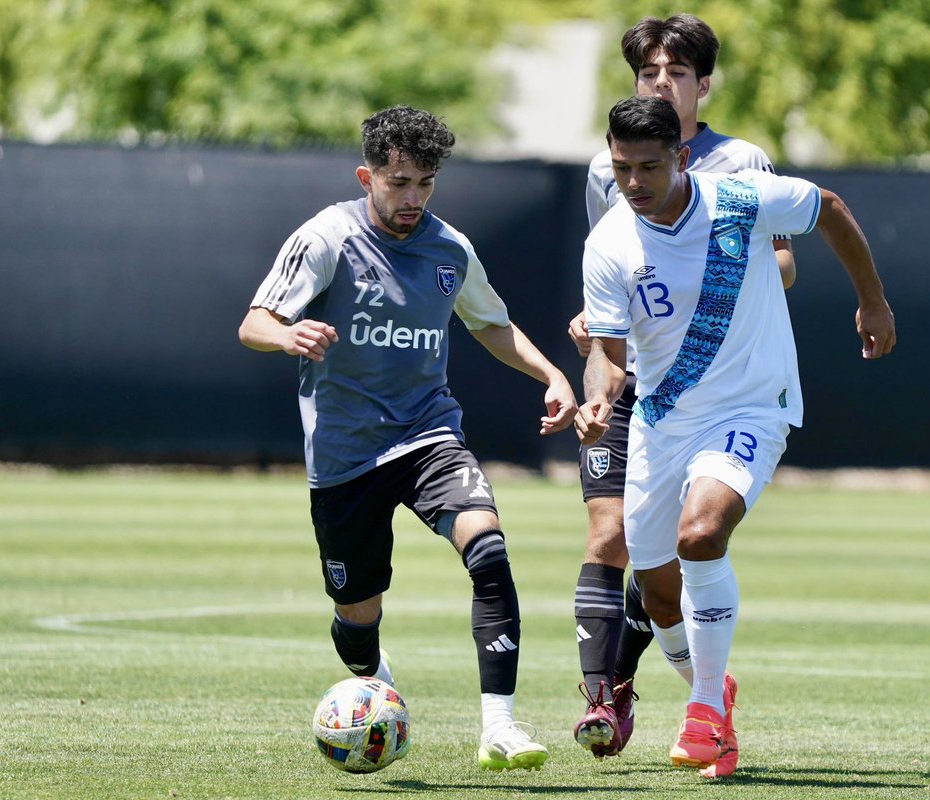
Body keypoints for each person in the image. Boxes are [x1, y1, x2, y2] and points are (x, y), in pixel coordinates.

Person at [238, 106, 578, 772]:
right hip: (344, 454)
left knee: (487, 548)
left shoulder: (449, 248)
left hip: (427, 434)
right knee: (357, 621)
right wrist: (288, 335)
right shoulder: (327, 238)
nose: (413, 198)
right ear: (368, 176)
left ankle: (500, 726)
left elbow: (491, 324)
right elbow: (254, 321)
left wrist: (550, 373)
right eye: (398, 182)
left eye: (425, 182)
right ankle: (374, 672)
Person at [575, 96, 896, 778]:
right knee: (659, 596)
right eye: (622, 168)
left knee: (701, 535)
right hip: (663, 421)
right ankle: (712, 689)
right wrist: (598, 399)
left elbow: (829, 207)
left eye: (649, 167)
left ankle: (704, 714)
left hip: (753, 406)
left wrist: (872, 299)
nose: (633, 183)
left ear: (682, 158)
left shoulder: (741, 199)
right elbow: (606, 352)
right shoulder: (608, 243)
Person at [569, 13, 798, 764]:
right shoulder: (609, 168)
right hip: (640, 378)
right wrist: (601, 346)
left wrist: (718, 278)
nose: (660, 83)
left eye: (674, 73)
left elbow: (786, 260)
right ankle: (649, 688)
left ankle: (686, 702)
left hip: (720, 377)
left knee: (695, 538)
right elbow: (617, 270)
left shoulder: (741, 162)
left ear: (703, 84)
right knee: (620, 543)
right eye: (647, 74)